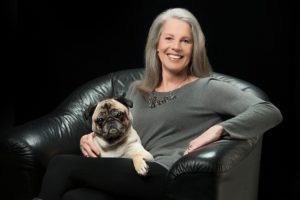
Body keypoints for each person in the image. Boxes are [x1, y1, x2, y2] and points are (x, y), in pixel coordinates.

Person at [33, 7, 282, 200]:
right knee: (75, 197)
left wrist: (219, 129)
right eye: (169, 38)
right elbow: (124, 131)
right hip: (126, 170)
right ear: (156, 45)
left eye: (186, 40)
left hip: (162, 173)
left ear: (195, 48)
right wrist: (89, 137)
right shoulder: (135, 90)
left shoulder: (209, 88)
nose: (176, 47)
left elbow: (269, 111)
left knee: (61, 164)